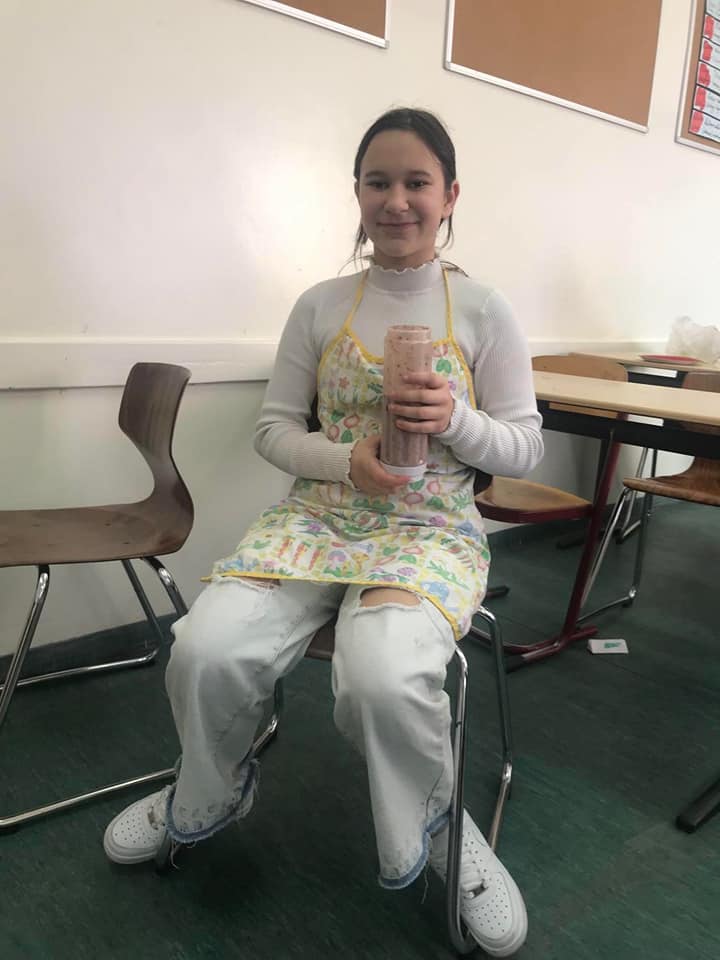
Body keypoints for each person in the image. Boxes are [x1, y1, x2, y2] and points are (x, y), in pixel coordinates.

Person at [103, 107, 543, 957]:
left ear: (450, 195)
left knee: (382, 679)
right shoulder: (320, 305)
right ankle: (206, 788)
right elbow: (273, 431)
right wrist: (348, 461)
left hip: (428, 527)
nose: (396, 200)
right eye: (378, 181)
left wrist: (455, 420)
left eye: (417, 182)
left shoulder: (485, 310)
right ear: (357, 192)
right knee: (205, 649)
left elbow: (524, 446)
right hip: (321, 516)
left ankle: (441, 824)